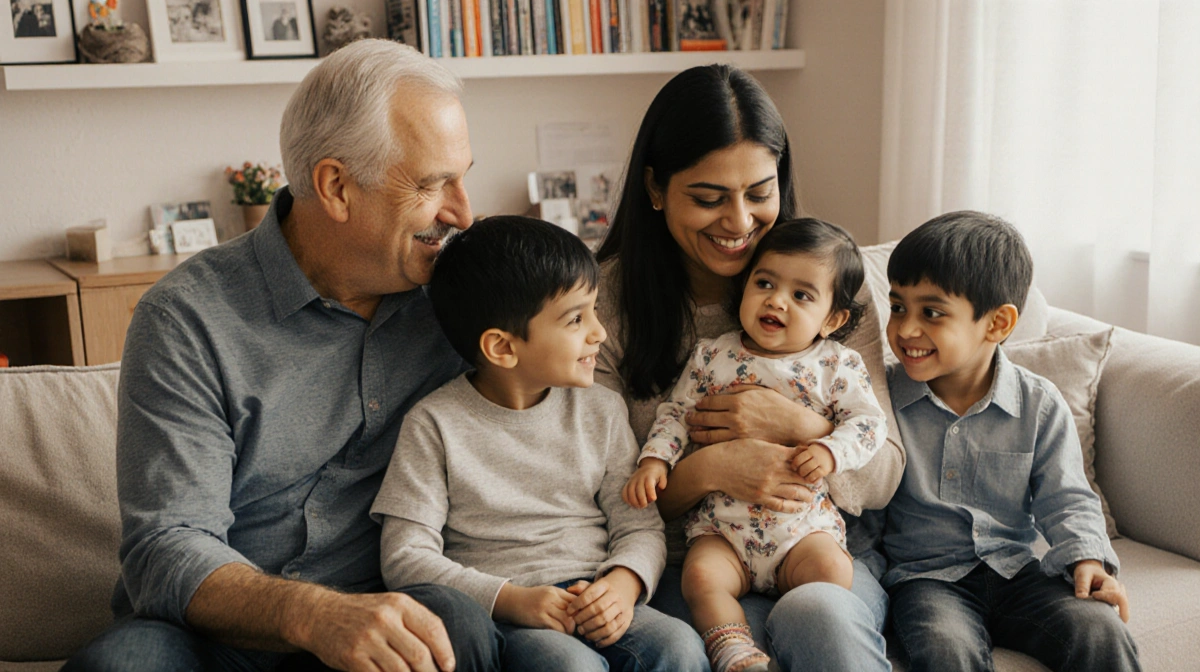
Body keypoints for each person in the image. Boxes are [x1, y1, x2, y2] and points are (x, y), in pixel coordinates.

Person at [64, 40, 500, 672]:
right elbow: (167, 545)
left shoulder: (462, 298)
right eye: (433, 184)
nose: (462, 210)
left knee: (454, 622)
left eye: (463, 176)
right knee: (122, 665)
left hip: (386, 616)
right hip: (219, 634)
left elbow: (580, 335)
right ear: (336, 187)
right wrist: (313, 616)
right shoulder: (188, 318)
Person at [594, 63, 904, 671]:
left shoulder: (831, 287)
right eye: (709, 198)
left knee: (820, 617)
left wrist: (799, 426)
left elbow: (884, 473)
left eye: (760, 194)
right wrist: (712, 467)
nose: (739, 223)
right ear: (655, 189)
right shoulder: (602, 307)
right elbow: (603, 498)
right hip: (694, 568)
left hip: (818, 552)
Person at [371, 216, 708, 671]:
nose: (600, 333)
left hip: (598, 591)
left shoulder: (602, 410)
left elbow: (639, 526)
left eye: (594, 310)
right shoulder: (433, 425)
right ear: (503, 348)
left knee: (679, 646)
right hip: (511, 613)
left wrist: (624, 584)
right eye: (576, 319)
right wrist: (512, 600)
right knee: (570, 666)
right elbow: (405, 557)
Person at [622, 218, 889, 672]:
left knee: (832, 572)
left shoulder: (837, 366)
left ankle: (795, 623)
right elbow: (676, 415)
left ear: (833, 319)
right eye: (764, 283)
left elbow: (868, 424)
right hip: (723, 529)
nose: (776, 300)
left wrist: (827, 448)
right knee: (701, 577)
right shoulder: (712, 356)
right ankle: (733, 648)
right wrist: (654, 461)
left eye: (801, 295)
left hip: (801, 527)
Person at [882, 211, 1140, 671]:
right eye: (898, 306)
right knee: (946, 651)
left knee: (1101, 630)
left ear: (998, 324)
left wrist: (1087, 558)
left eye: (931, 313)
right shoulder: (879, 400)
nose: (905, 330)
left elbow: (1067, 498)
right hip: (926, 580)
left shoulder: (1038, 404)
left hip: (1017, 571)